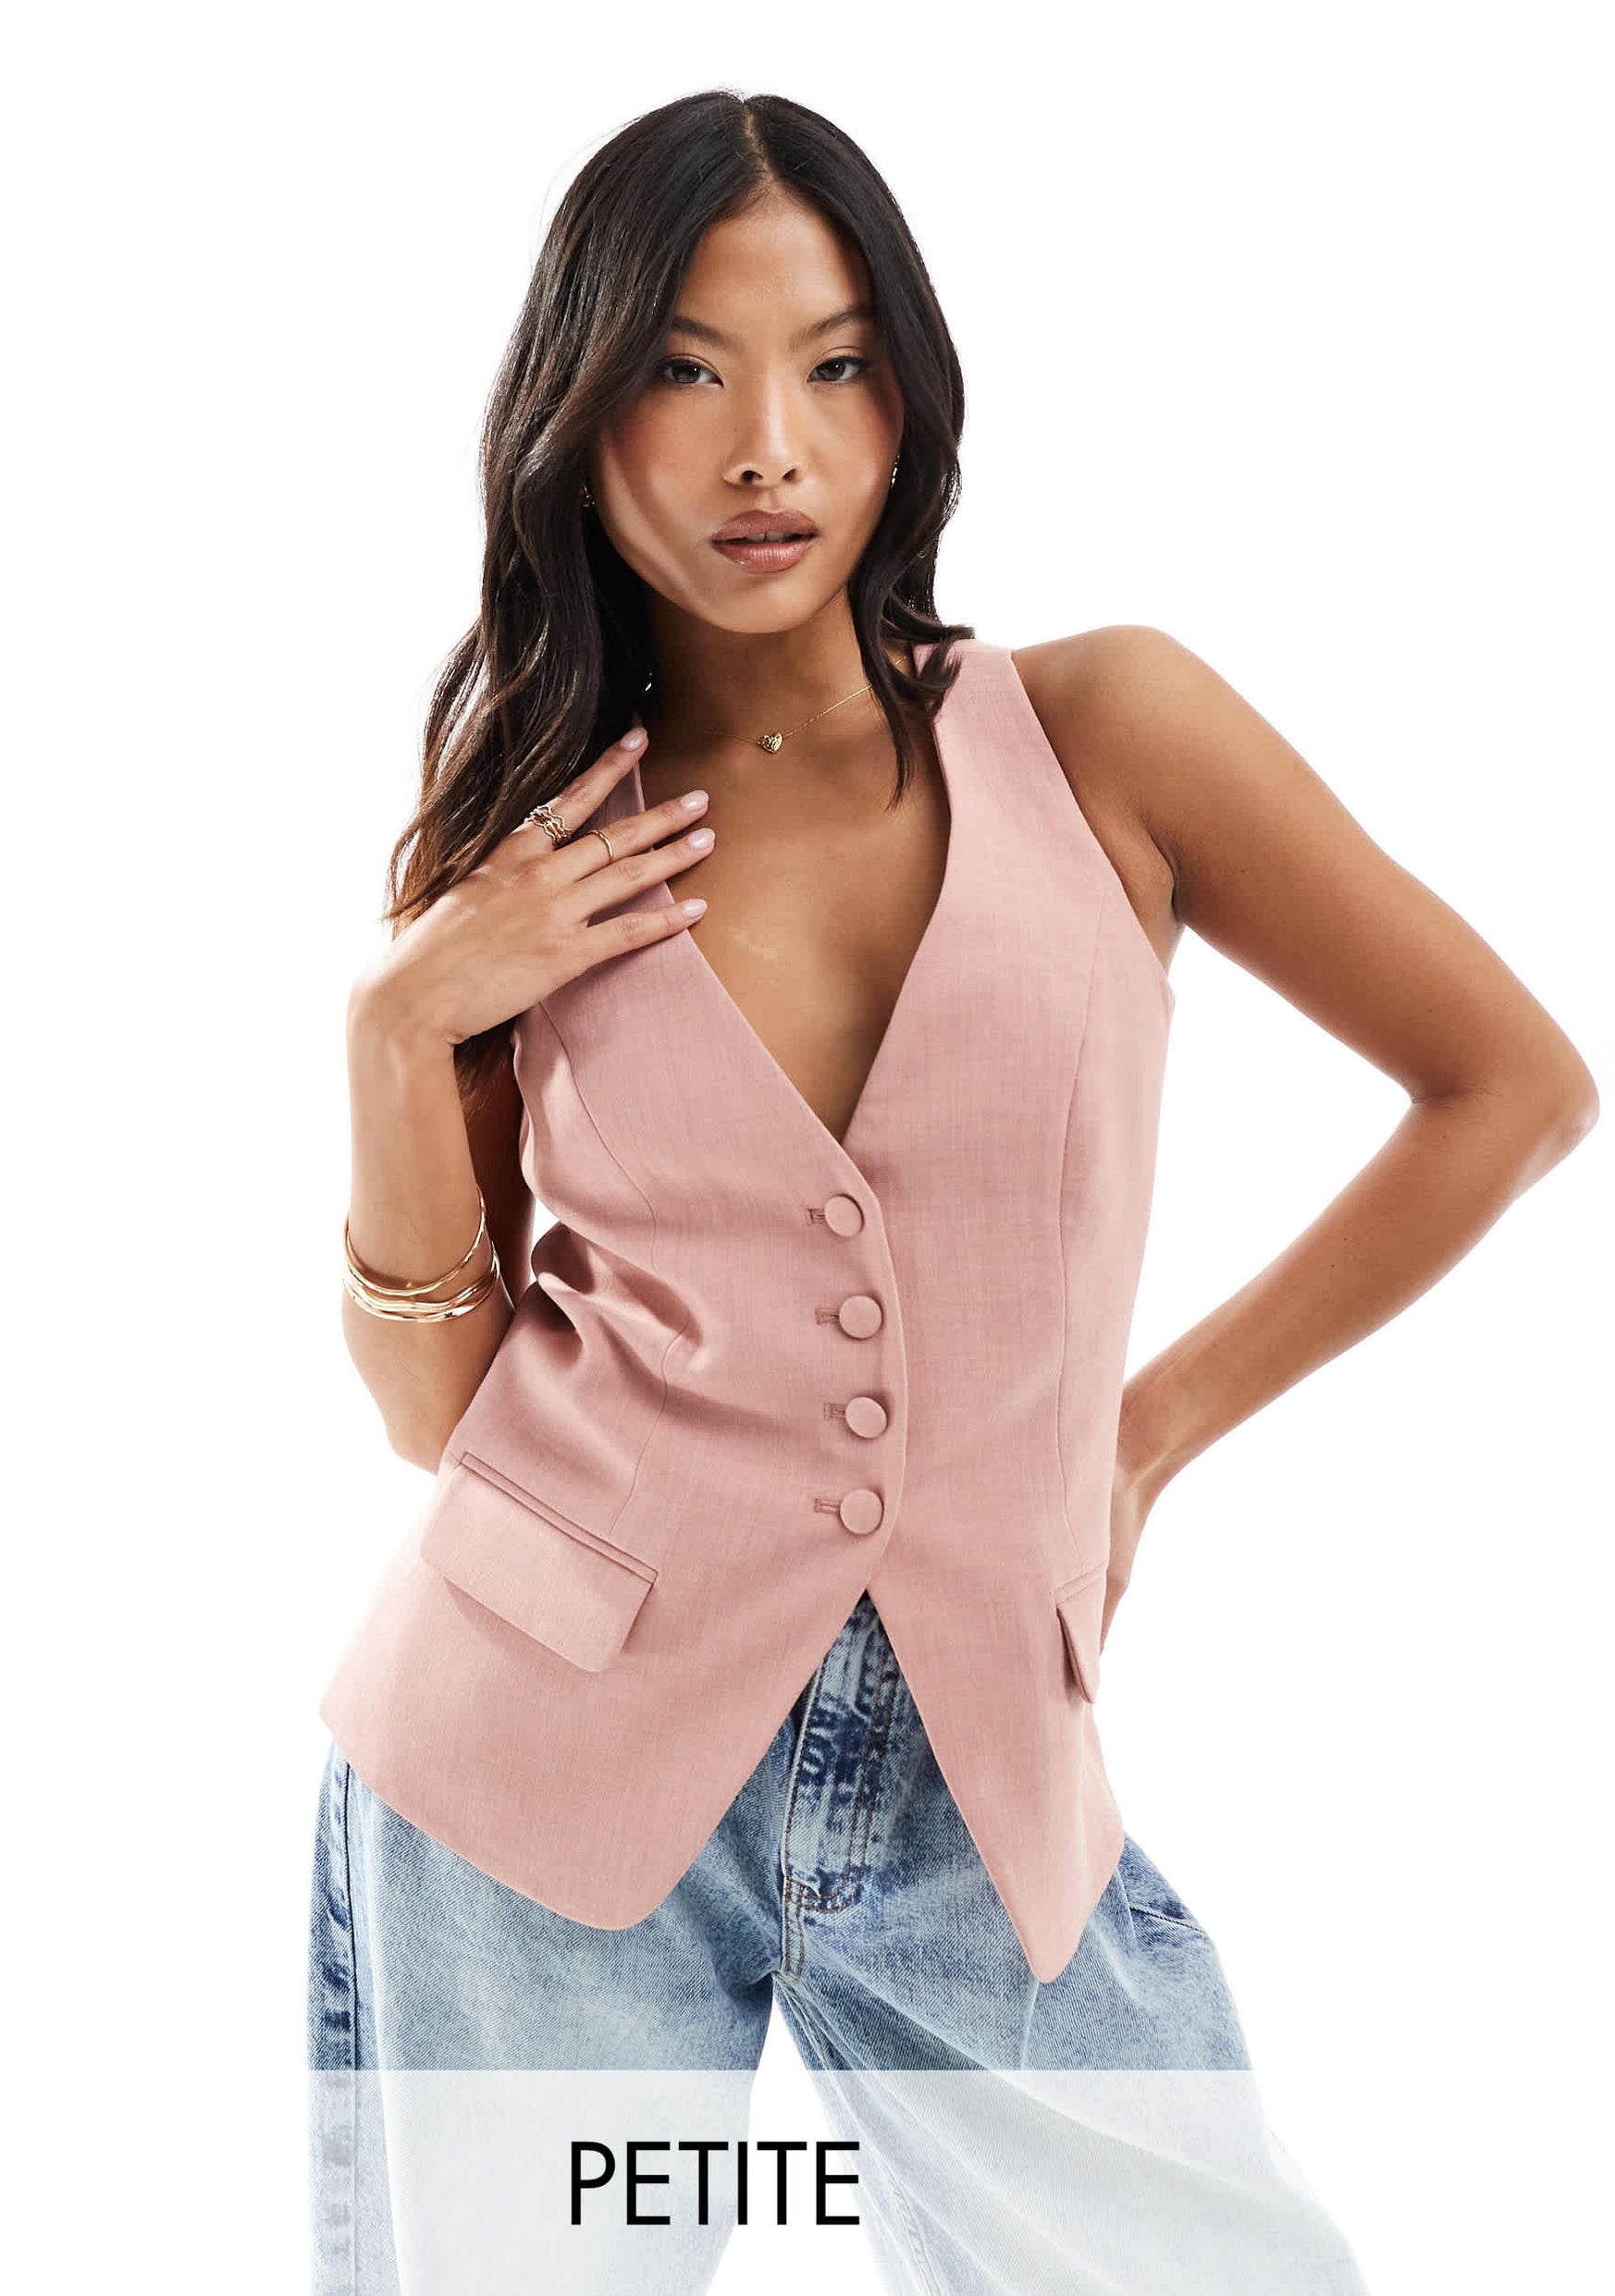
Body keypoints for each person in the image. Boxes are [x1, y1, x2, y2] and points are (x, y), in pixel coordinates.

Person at [306, 91, 1597, 2296]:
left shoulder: (1105, 732)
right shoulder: (527, 834)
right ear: (578, 417)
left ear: (908, 402)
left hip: (978, 1768)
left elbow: (1509, 1086)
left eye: (834, 367)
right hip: (530, 1759)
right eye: (684, 371)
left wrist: (1150, 1430)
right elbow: (449, 1418)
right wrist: (394, 1024)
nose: (768, 451)